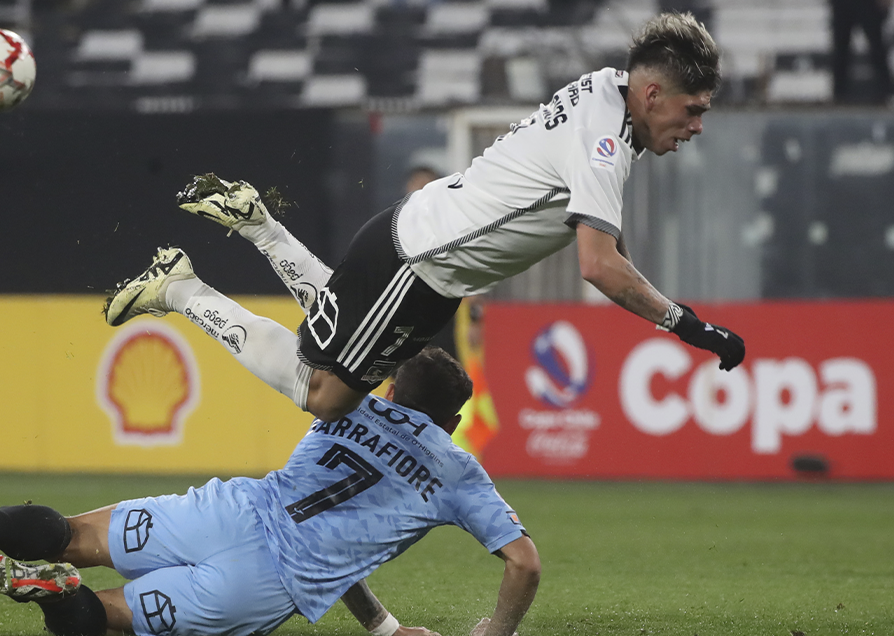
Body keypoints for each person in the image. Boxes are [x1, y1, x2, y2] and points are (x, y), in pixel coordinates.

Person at [104, 12, 746, 423]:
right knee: (324, 395)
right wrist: (684, 324)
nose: (694, 126)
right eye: (693, 110)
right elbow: (597, 265)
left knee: (335, 318)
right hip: (417, 265)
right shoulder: (605, 140)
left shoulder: (608, 94)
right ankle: (182, 287)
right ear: (653, 93)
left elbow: (598, 229)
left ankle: (257, 224)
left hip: (423, 256)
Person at [0, 347, 540, 636]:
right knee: (105, 617)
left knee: (75, 536)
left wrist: (381, 624)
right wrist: (495, 630)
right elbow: (524, 563)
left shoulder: (350, 405)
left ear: (392, 391)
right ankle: (56, 593)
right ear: (450, 422)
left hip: (226, 513)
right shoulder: (455, 469)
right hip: (265, 585)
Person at [830, 0, 892, 103]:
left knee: (877, 47)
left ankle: (885, 92)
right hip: (842, 3)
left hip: (868, 3)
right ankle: (839, 94)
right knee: (840, 50)